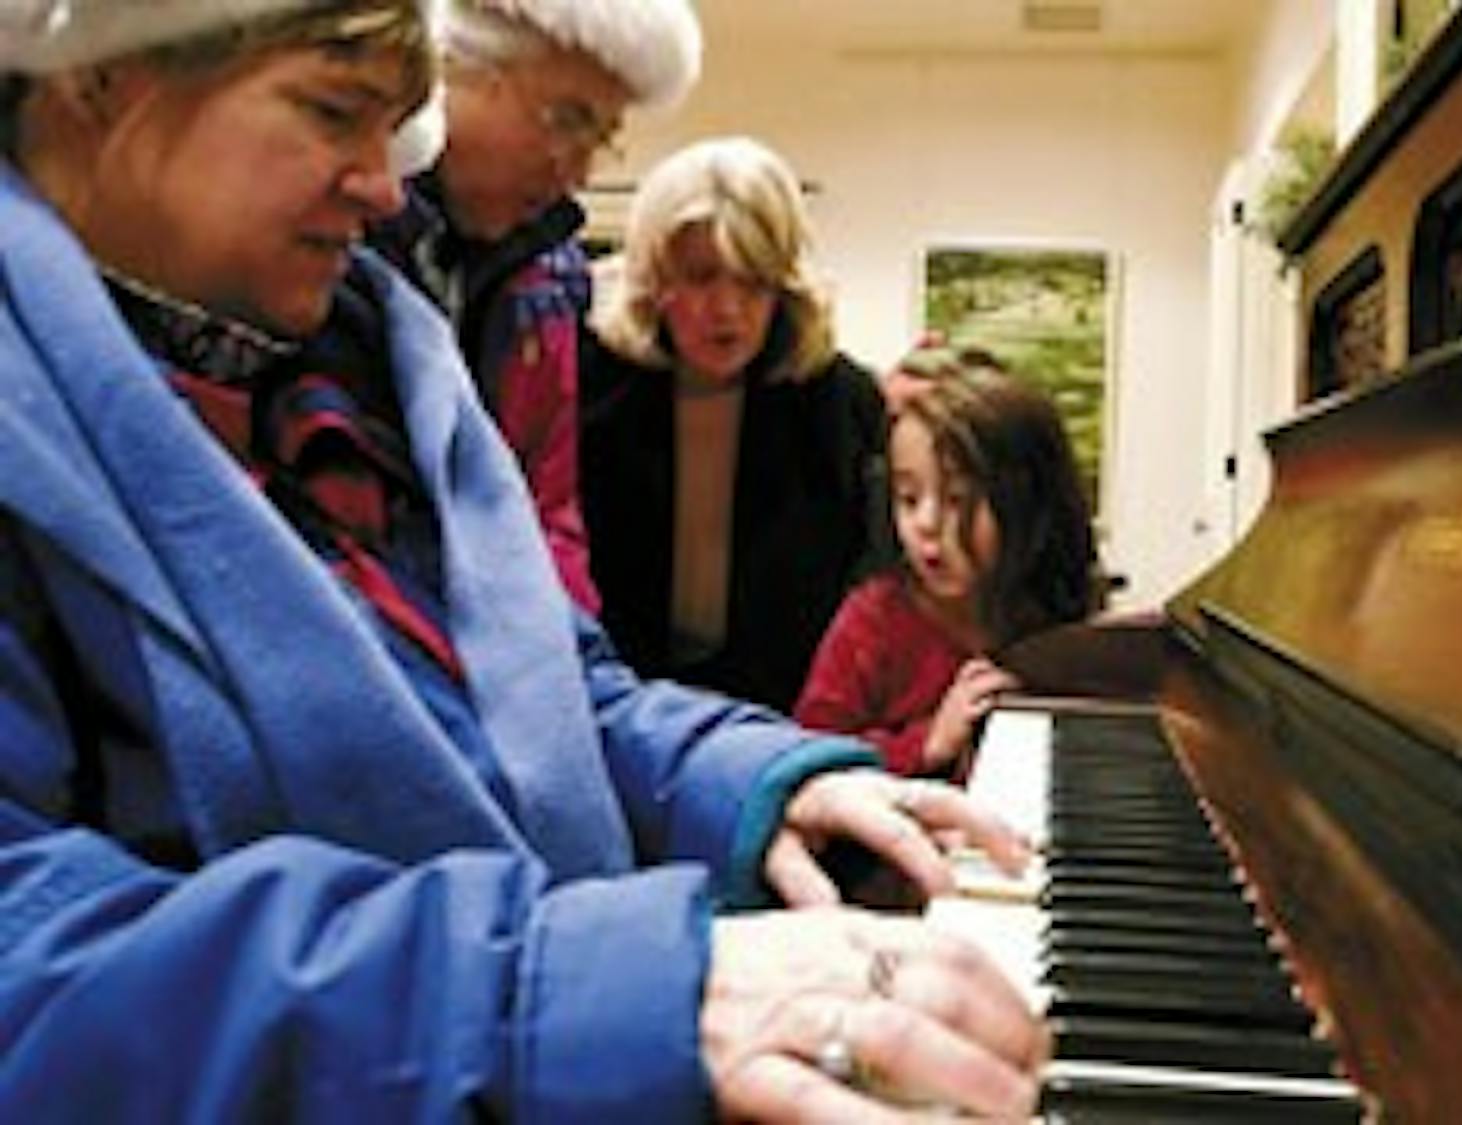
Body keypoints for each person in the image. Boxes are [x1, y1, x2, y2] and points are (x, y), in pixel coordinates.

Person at [0, 3, 1047, 1120]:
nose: (387, 186)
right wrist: (556, 1002)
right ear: (95, 76)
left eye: (394, 128)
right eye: (334, 111)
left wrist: (750, 782)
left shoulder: (364, 367)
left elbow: (551, 688)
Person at [371, 0, 702, 612]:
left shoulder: (550, 282)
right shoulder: (339, 235)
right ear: (453, 70)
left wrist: (567, 669)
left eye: (600, 137)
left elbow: (547, 513)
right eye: (568, 119)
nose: (578, 170)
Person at [581, 135, 896, 712]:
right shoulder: (588, 386)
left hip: (781, 715)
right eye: (701, 277)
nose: (726, 310)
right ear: (656, 278)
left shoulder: (840, 403)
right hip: (614, 710)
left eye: (751, 280)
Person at [796, 347, 1103, 777]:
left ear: (1029, 505)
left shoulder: (1061, 619)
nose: (925, 523)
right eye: (908, 498)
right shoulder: (873, 622)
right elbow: (806, 760)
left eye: (959, 500)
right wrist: (926, 743)